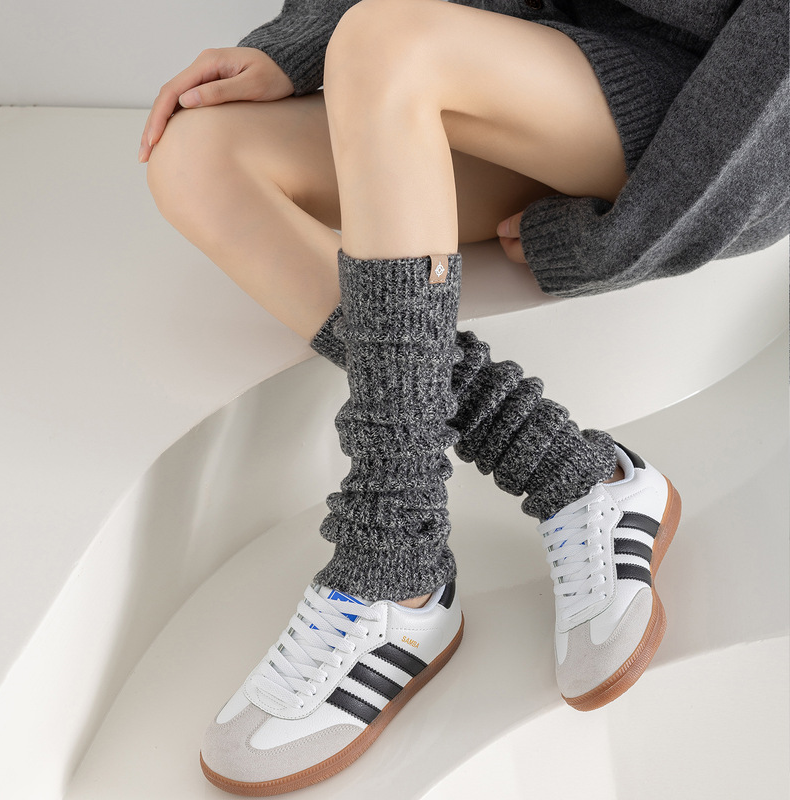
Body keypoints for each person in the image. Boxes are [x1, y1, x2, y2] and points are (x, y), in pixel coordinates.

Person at [140, 0, 786, 794]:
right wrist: (302, 41)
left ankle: (392, 557)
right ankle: (566, 468)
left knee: (387, 40)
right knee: (196, 156)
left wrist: (623, 237)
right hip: (502, 57)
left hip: (712, 128)